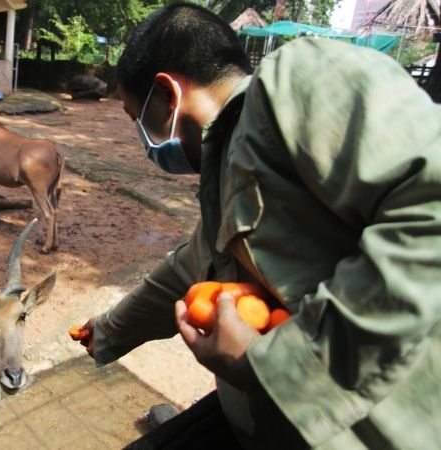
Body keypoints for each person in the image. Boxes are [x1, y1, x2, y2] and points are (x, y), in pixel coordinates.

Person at [71, 3, 441, 449]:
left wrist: (279, 364)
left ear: (168, 95)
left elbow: (430, 202)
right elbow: (185, 271)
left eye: (138, 119)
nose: (145, 142)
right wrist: (108, 329)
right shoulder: (224, 176)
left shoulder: (299, 81)